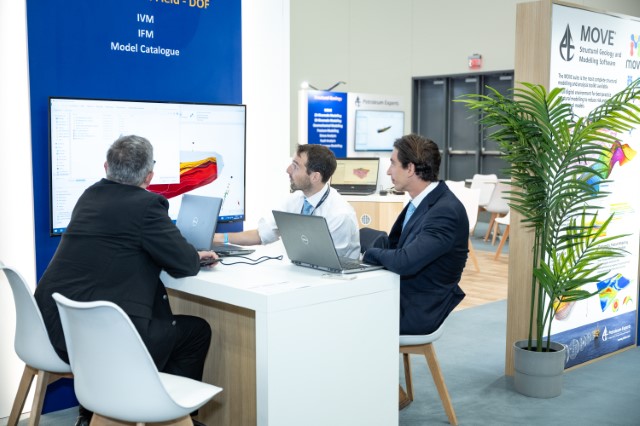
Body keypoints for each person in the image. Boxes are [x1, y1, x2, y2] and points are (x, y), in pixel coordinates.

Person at [35, 135, 218, 426]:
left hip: (55, 330)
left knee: (145, 317)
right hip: (103, 345)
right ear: (149, 176)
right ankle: (168, 414)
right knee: (196, 332)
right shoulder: (148, 205)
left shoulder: (90, 195)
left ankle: (100, 411)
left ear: (106, 167)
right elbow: (185, 263)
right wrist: (197, 256)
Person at [360, 134, 468, 410]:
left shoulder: (444, 210)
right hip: (406, 294)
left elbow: (406, 261)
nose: (388, 171)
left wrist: (367, 254)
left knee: (345, 317)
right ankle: (380, 390)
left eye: (393, 163)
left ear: (410, 168)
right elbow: (396, 246)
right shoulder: (421, 201)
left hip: (421, 306)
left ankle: (375, 394)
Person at [213, 143, 360, 258]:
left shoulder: (340, 215)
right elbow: (262, 234)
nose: (288, 170)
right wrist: (220, 238)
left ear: (315, 177)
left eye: (295, 166)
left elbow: (328, 263)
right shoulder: (296, 200)